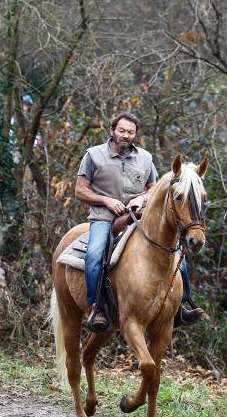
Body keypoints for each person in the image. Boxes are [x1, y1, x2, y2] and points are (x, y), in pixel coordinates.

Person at [75, 112, 203, 332]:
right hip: (105, 217)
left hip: (139, 215)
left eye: (130, 132)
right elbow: (80, 190)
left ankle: (182, 305)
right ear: (113, 130)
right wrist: (106, 200)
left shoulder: (145, 158)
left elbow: (152, 188)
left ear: (135, 134)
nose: (126, 135)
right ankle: (98, 307)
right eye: (122, 131)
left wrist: (141, 198)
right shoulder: (93, 155)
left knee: (177, 257)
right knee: (94, 255)